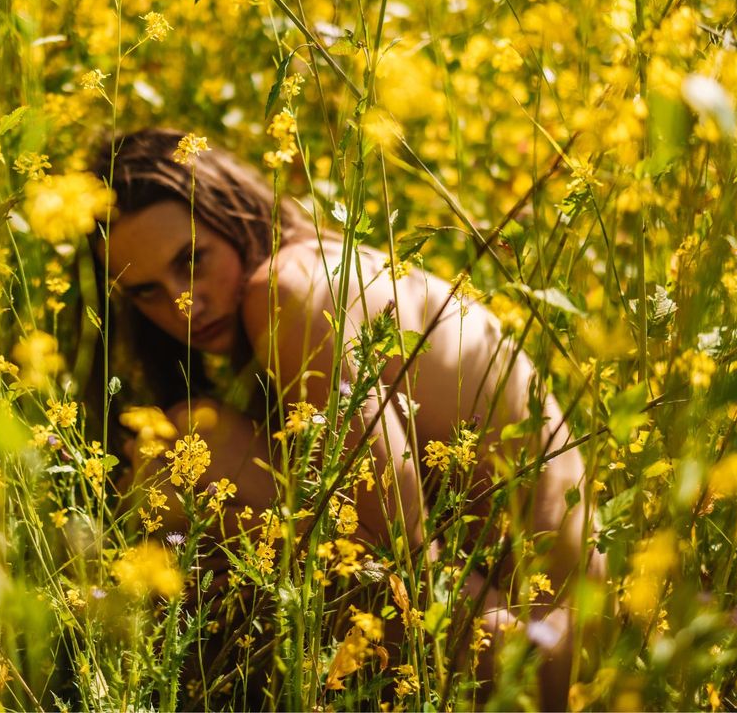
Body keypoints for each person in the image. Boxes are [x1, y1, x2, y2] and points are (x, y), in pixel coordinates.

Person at [89, 127, 602, 708]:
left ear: (229, 214)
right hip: (545, 619)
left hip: (544, 651)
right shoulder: (316, 264)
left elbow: (397, 529)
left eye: (192, 260)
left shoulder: (283, 289)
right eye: (147, 292)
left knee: (181, 447)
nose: (186, 303)